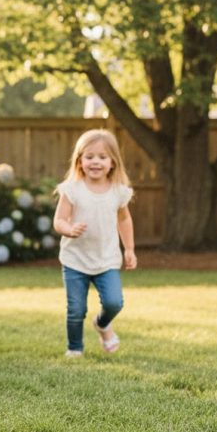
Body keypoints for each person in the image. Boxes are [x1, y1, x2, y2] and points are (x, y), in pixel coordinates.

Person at [53, 129, 136, 358]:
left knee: (114, 302)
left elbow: (124, 220)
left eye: (102, 157)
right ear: (80, 160)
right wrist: (68, 229)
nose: (95, 162)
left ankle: (102, 323)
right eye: (89, 157)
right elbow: (59, 220)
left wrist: (129, 248)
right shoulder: (72, 190)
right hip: (75, 260)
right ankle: (75, 348)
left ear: (112, 162)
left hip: (106, 260)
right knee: (76, 310)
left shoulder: (118, 192)